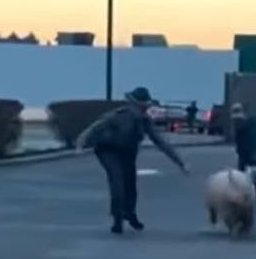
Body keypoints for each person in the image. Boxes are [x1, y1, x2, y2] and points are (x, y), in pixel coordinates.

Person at [76, 87, 190, 235]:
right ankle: (117, 219)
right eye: (141, 106)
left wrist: (181, 163)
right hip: (108, 150)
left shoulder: (144, 121)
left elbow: (161, 142)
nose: (142, 110)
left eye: (145, 107)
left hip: (127, 152)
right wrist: (80, 144)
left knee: (130, 182)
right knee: (117, 180)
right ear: (133, 104)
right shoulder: (118, 116)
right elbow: (95, 128)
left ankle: (130, 214)